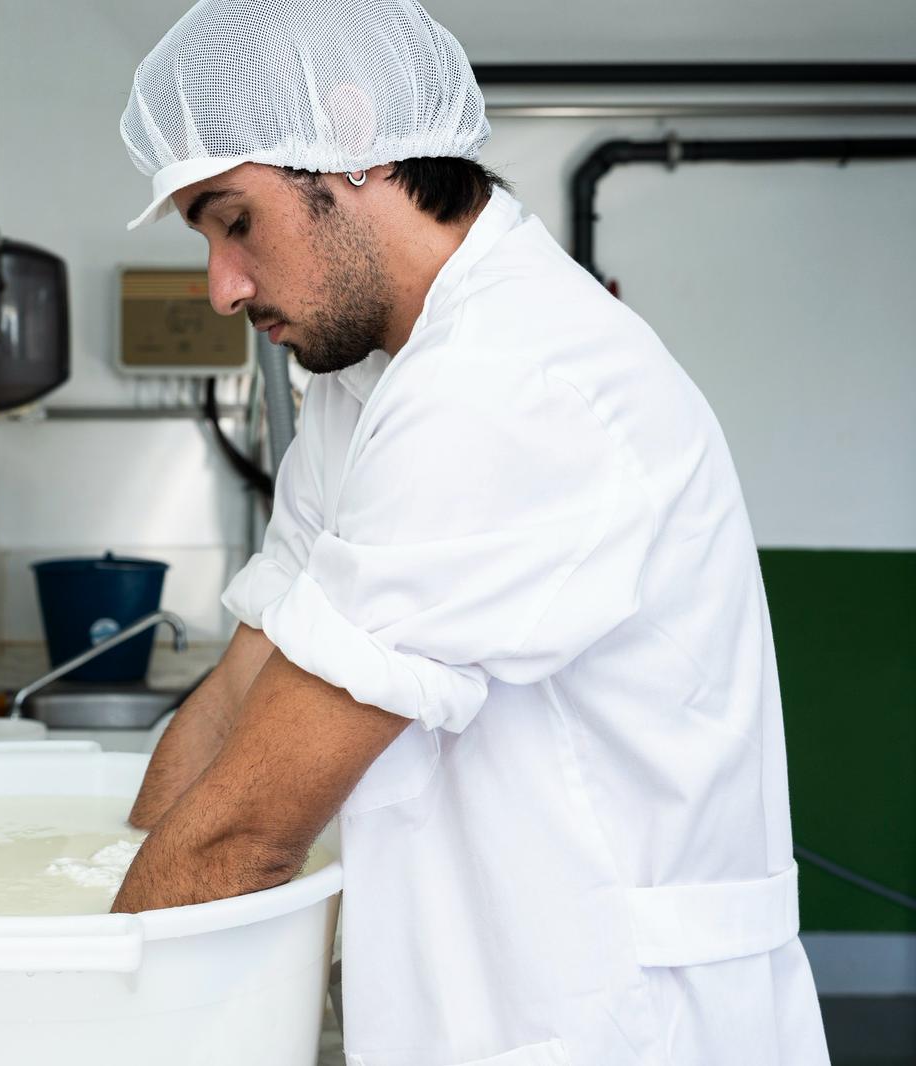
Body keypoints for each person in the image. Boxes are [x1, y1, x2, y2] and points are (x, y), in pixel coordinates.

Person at [109, 2, 830, 1064]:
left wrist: (78, 1000)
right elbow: (237, 696)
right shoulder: (370, 386)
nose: (221, 285)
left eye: (233, 220)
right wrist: (106, 890)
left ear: (351, 144)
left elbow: (248, 835)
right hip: (486, 1000)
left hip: (615, 1025)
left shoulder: (510, 384)